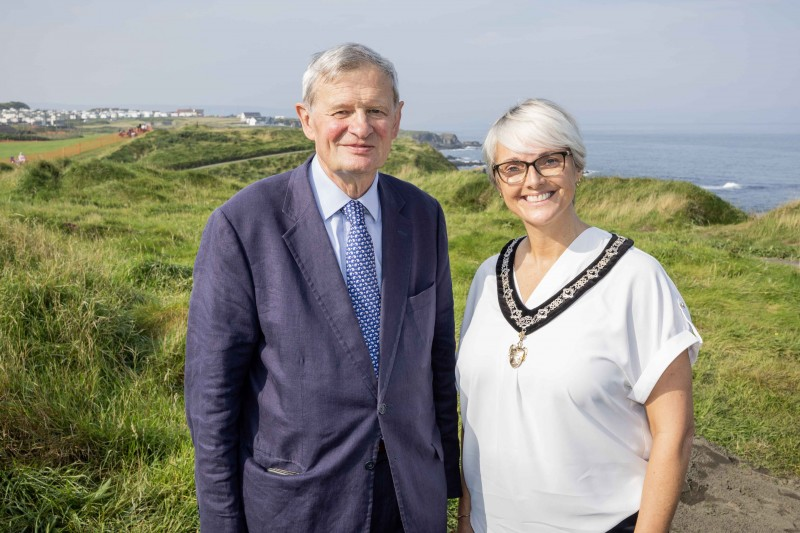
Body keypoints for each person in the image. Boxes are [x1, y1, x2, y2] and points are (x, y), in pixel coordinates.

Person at [185, 43, 461, 533]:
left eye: (376, 110)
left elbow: (438, 360)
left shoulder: (422, 215)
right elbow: (211, 401)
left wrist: (447, 486)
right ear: (306, 119)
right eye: (342, 111)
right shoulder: (244, 224)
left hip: (410, 499)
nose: (361, 127)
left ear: (397, 120)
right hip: (299, 503)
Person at [455, 99, 701, 533]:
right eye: (512, 167)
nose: (532, 180)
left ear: (577, 167)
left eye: (550, 160)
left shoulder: (636, 277)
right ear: (498, 182)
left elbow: (674, 435)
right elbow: (477, 418)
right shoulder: (486, 277)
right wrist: (467, 518)